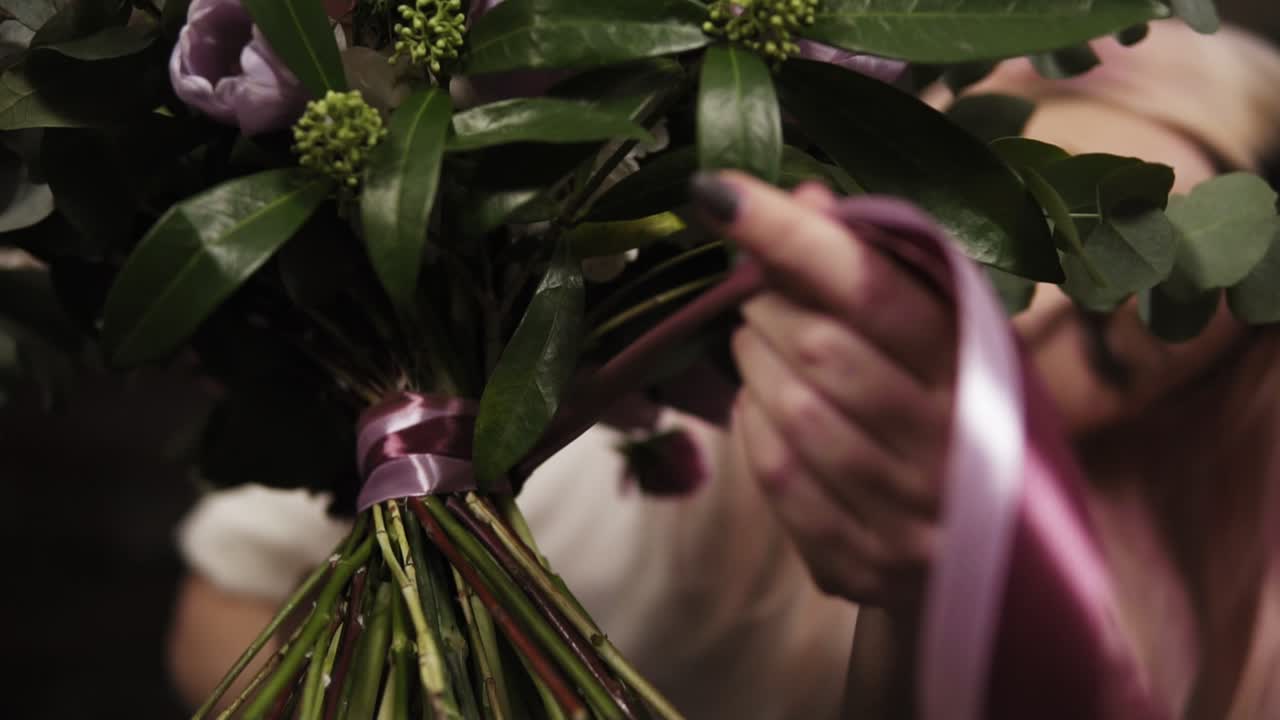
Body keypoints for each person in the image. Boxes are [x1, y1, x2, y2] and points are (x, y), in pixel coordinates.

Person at [169, 19, 1280, 719]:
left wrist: (922, 590)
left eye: (1103, 354)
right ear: (913, 153)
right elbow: (220, 613)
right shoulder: (597, 293)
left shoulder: (1042, 604)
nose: (1028, 333)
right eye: (999, 245)